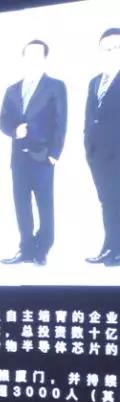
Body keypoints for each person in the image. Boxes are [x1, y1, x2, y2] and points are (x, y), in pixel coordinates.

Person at [0, 39, 68, 266]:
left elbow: (61, 122)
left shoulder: (56, 86)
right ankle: (26, 249)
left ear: (44, 58)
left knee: (45, 205)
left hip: (43, 156)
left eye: (37, 55)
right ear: (23, 58)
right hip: (18, 158)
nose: (33, 59)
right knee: (22, 205)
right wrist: (14, 131)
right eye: (28, 54)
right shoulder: (12, 90)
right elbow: (3, 121)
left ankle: (43, 249)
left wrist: (54, 154)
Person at [85, 28, 120, 266]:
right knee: (108, 202)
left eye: (116, 47)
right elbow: (90, 117)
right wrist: (87, 143)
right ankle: (110, 247)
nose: (111, 52)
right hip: (98, 155)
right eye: (106, 49)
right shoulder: (95, 81)